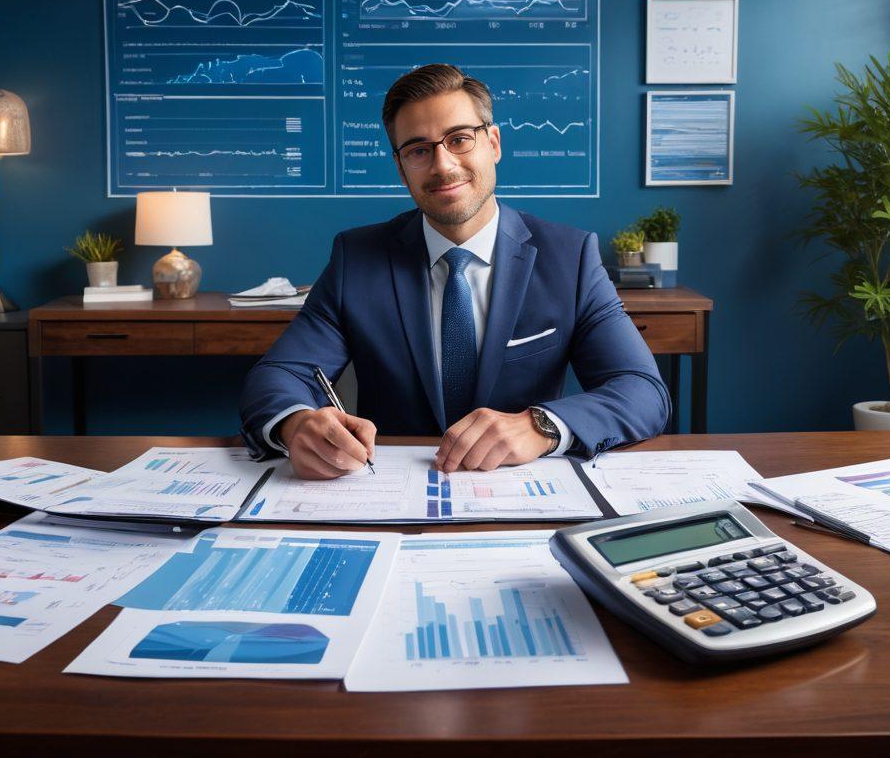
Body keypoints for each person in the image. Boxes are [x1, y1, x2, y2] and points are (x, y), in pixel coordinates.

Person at [239, 63, 669, 479]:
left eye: (459, 139)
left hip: (522, 492)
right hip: (388, 491)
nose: (442, 165)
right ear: (401, 168)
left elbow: (642, 391)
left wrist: (541, 425)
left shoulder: (570, 257)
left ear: (494, 144)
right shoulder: (357, 258)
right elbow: (280, 375)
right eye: (419, 150)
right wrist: (297, 425)